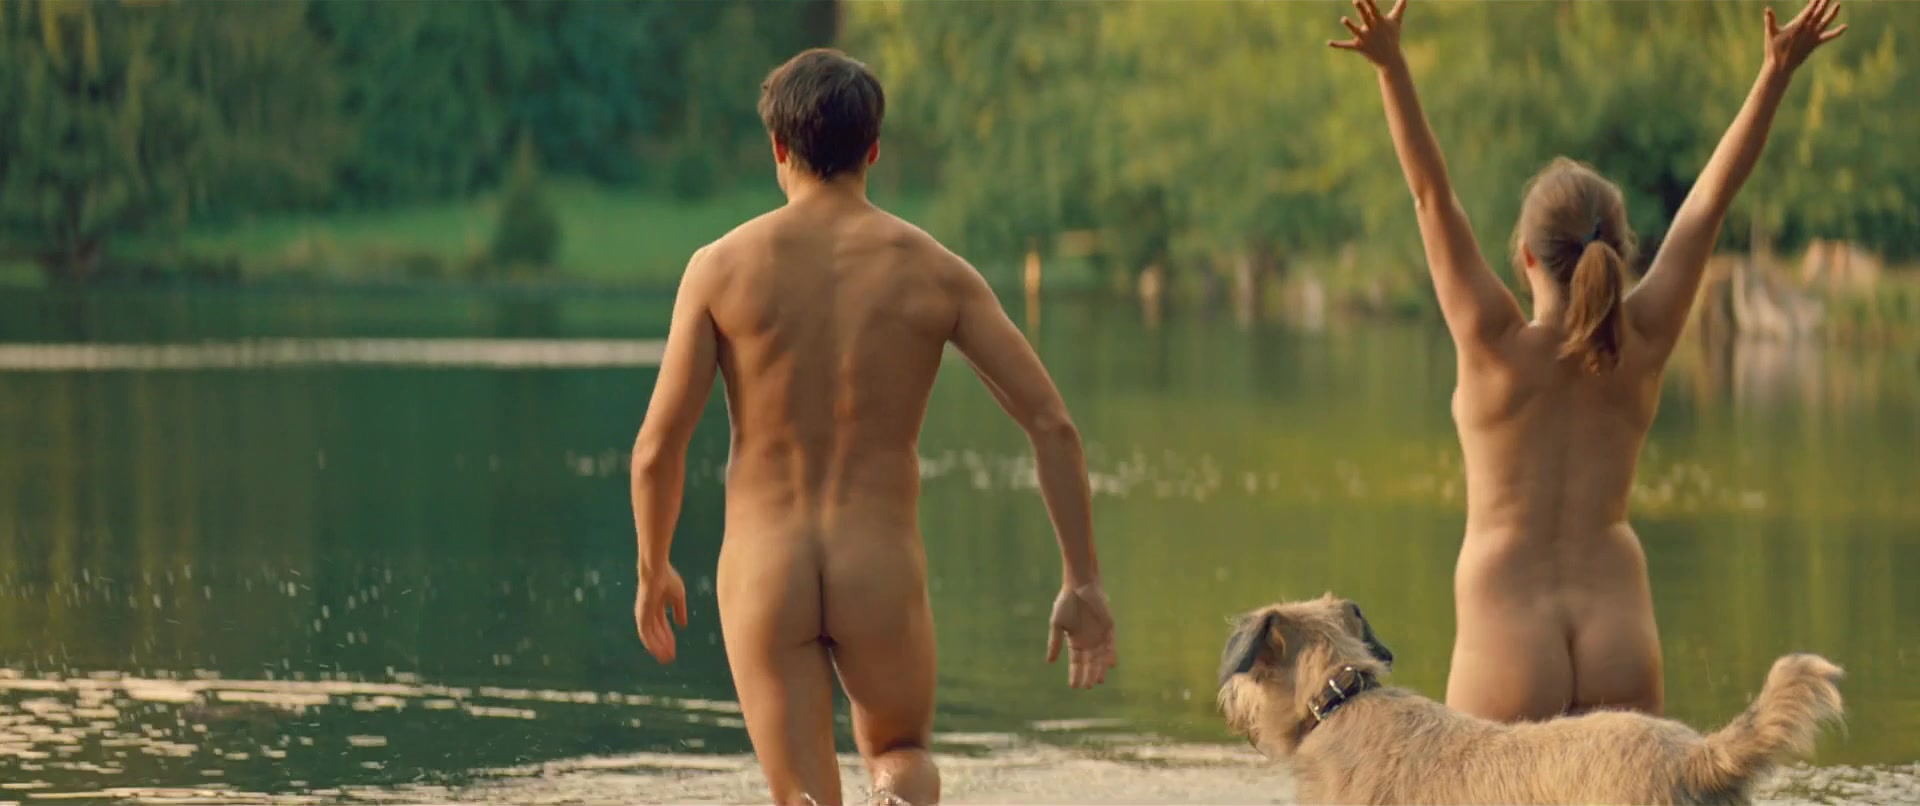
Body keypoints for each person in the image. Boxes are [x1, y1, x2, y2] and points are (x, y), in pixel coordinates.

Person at [1330, 0, 1845, 722]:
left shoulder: (1492, 345)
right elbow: (1709, 202)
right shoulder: (1644, 344)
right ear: (1620, 250)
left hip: (1508, 636)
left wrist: (1391, 68)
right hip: (1619, 629)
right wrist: (1774, 75)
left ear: (1527, 256)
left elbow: (1430, 196)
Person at [628, 48, 1118, 805]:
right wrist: (1081, 578)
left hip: (765, 567)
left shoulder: (719, 269)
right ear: (875, 149)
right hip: (877, 566)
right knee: (901, 755)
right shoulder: (936, 272)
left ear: (779, 148)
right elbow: (1051, 425)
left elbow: (657, 450)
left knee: (803, 797)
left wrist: (653, 566)